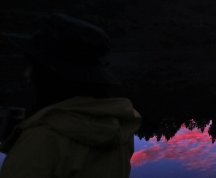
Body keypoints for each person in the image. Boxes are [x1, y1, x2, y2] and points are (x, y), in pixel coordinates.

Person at [0, 14, 141, 178]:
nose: (26, 74)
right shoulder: (120, 130)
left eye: (32, 66)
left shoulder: (42, 140)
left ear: (49, 74)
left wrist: (26, 143)